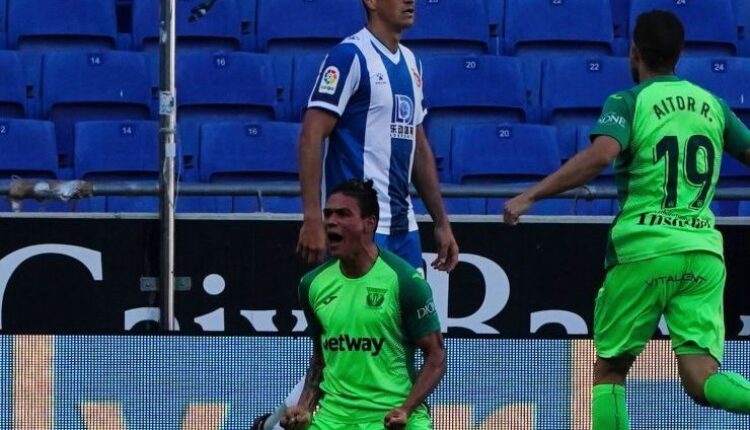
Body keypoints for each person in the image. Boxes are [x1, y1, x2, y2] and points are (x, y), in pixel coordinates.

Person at [503, 10, 750, 430]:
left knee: (609, 372)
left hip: (644, 250)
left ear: (633, 52)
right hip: (703, 254)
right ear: (680, 54)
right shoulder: (714, 106)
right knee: (701, 379)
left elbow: (600, 156)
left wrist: (531, 195)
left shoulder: (628, 102)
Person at [252, 1, 458, 428]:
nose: (410, 1)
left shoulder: (413, 64)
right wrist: (312, 216)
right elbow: (312, 133)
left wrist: (440, 220)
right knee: (346, 345)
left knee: (401, 346)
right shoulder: (350, 57)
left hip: (404, 228)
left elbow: (419, 146)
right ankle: (283, 420)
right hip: (363, 228)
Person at [282, 179, 445, 430]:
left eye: (343, 214)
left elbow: (436, 357)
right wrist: (304, 407)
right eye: (328, 214)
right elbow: (321, 357)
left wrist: (406, 409)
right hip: (333, 419)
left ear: (369, 223)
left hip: (392, 417)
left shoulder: (404, 281)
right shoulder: (312, 284)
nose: (331, 221)